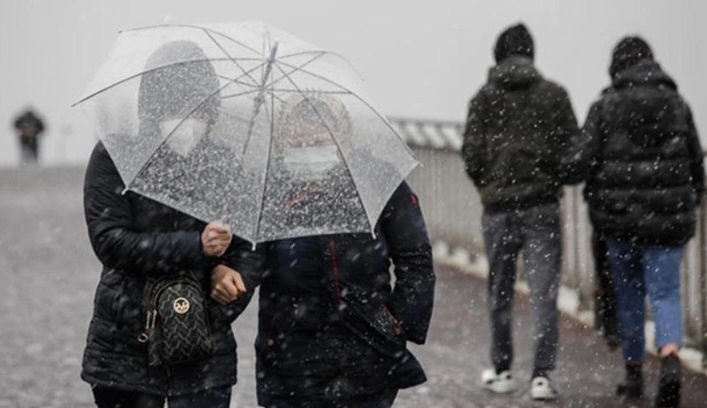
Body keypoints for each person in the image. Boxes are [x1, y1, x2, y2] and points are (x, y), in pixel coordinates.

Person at [211, 95, 436, 407]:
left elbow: (415, 258)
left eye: (318, 140)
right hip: (289, 354)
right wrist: (228, 278)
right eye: (298, 142)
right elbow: (250, 256)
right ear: (282, 138)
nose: (308, 149)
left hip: (367, 352)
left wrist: (398, 320)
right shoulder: (267, 185)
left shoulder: (376, 179)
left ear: (341, 135)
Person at [81, 40, 261, 408]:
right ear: (152, 103)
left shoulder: (227, 164)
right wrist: (195, 246)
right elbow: (110, 241)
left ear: (212, 107)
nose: (187, 117)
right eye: (174, 103)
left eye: (197, 105)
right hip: (125, 348)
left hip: (205, 354)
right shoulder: (117, 156)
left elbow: (250, 248)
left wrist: (224, 289)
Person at [565, 36, 704, 407]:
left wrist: (559, 166)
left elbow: (581, 161)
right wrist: (692, 198)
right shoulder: (677, 105)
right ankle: (671, 354)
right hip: (667, 221)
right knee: (666, 292)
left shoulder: (604, 106)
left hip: (618, 222)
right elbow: (694, 160)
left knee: (628, 296)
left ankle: (634, 375)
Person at [460, 22, 579, 400]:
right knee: (544, 293)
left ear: (497, 55)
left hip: (498, 209)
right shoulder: (554, 95)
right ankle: (541, 376)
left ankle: (503, 368)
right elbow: (571, 149)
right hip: (541, 205)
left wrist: (490, 186)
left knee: (500, 291)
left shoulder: (483, 98)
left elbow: (472, 155)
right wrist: (550, 176)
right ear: (531, 54)